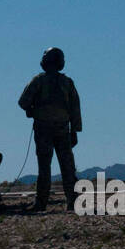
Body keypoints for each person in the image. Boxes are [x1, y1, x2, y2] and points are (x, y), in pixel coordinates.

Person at [17, 47, 81, 212]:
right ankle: (72, 202)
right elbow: (75, 109)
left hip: (43, 129)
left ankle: (41, 203)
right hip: (62, 130)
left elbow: (23, 102)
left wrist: (32, 111)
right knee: (67, 166)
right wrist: (74, 131)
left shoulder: (38, 81)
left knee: (44, 167)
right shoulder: (67, 82)